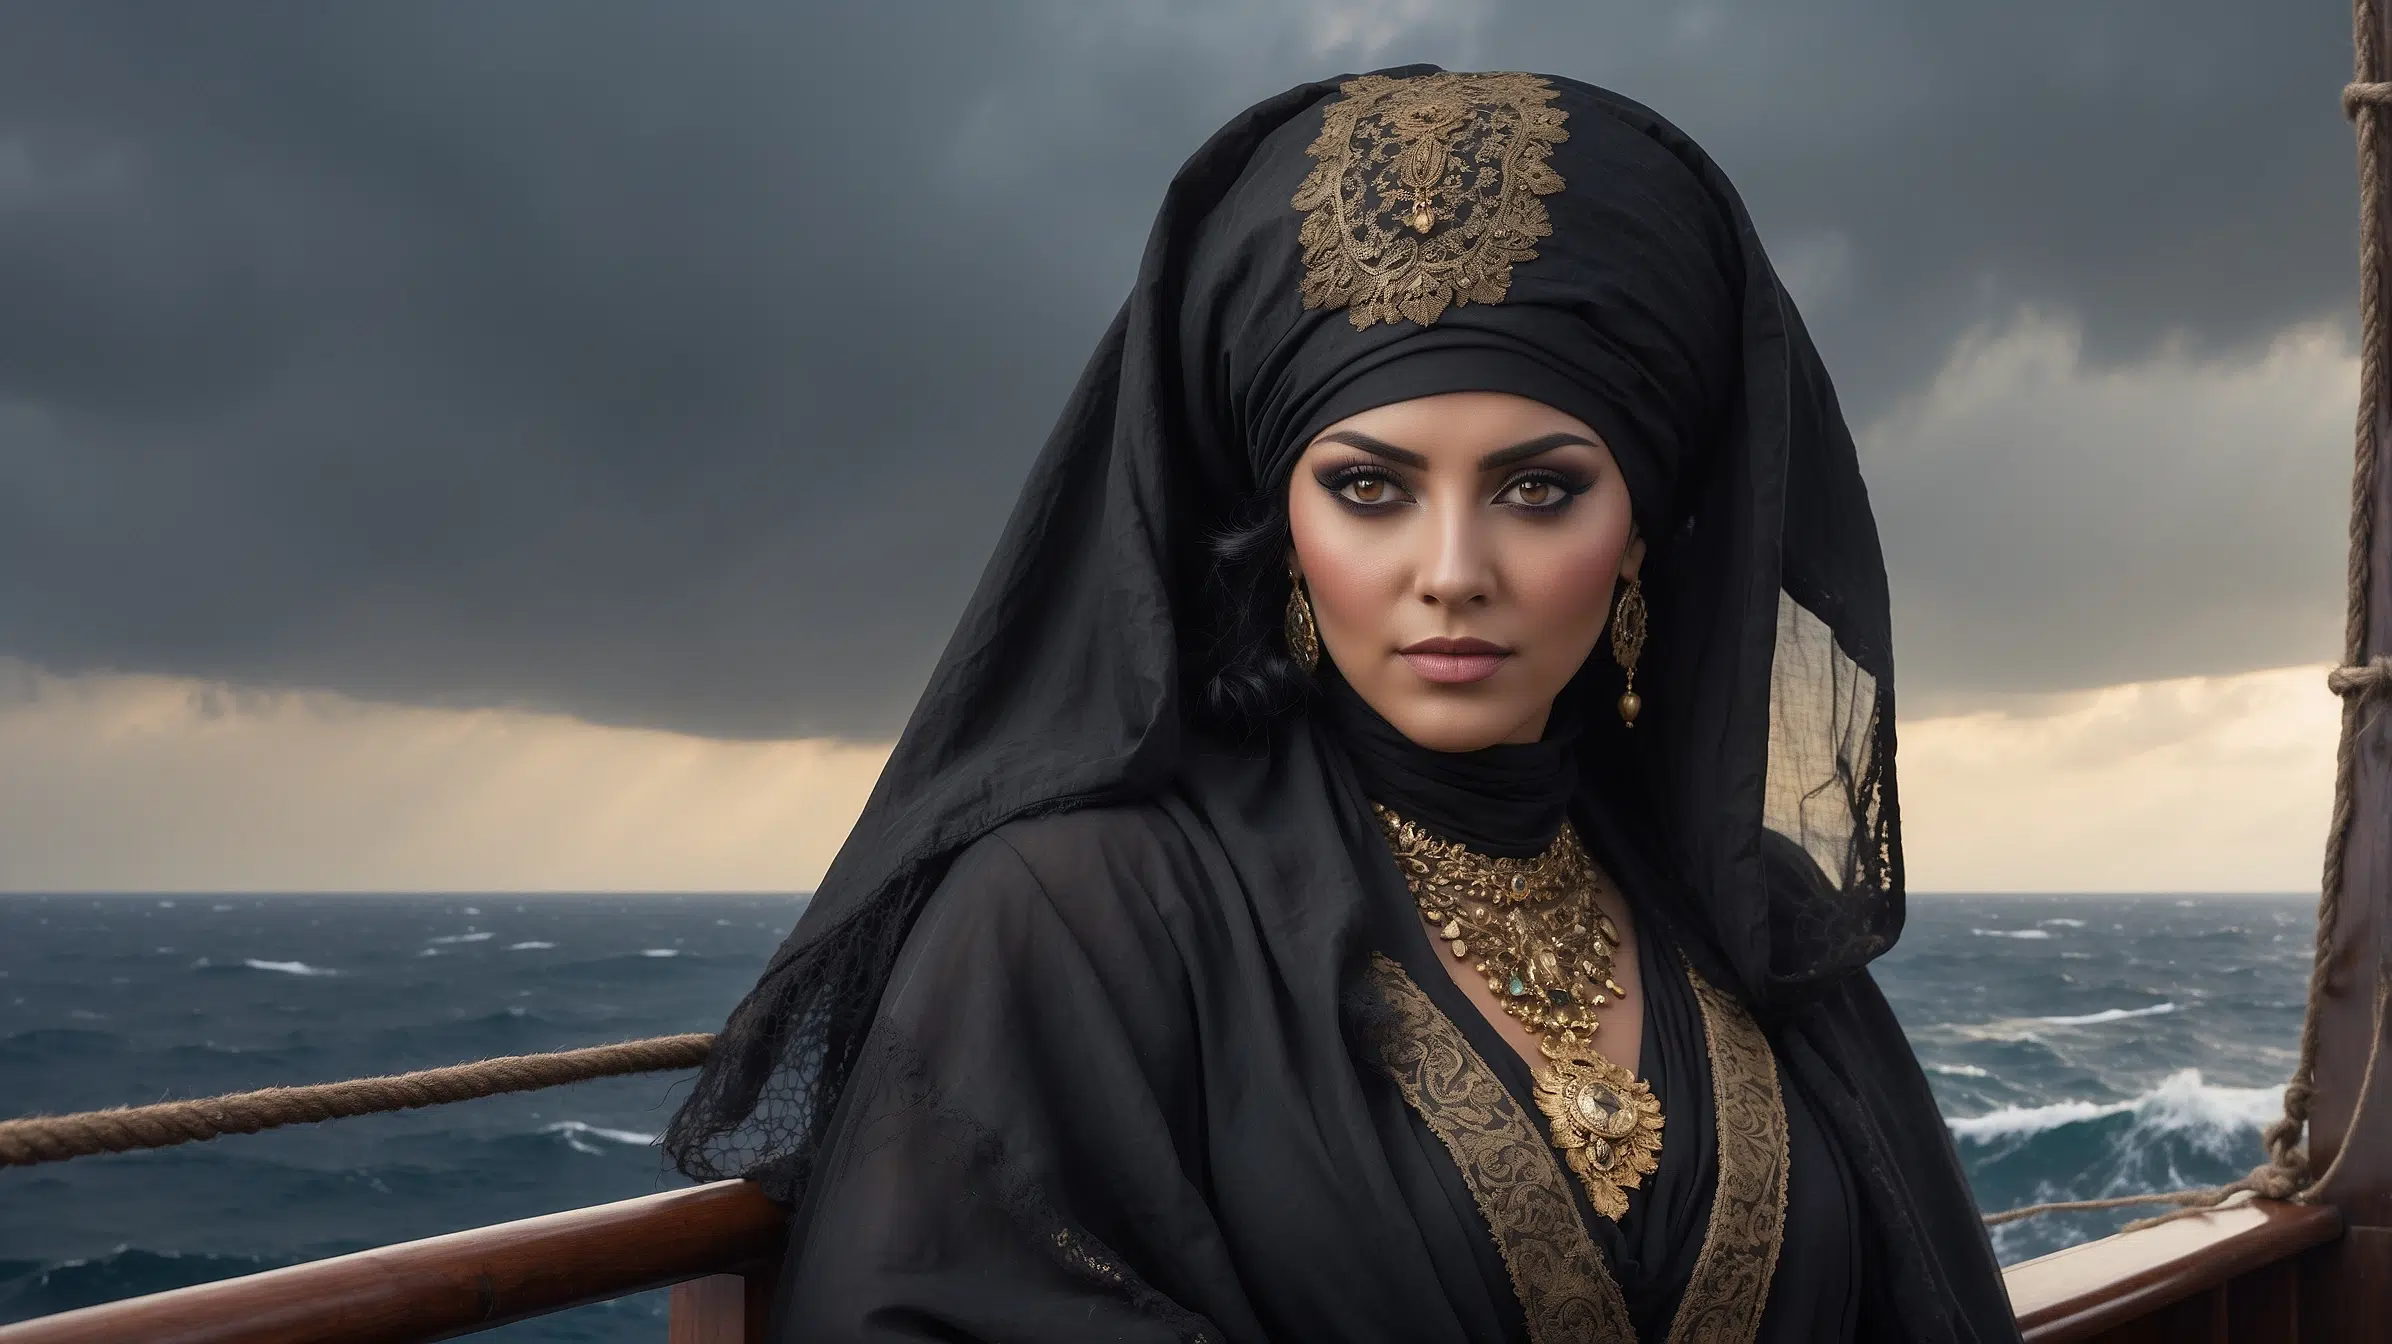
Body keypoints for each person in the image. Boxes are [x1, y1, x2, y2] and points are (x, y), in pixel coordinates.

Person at [665, 65, 2020, 1343]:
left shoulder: (1724, 908)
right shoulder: (1075, 920)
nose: (1451, 576)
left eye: (1538, 490)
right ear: (1278, 518)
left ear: (1646, 529)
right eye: (1370, 489)